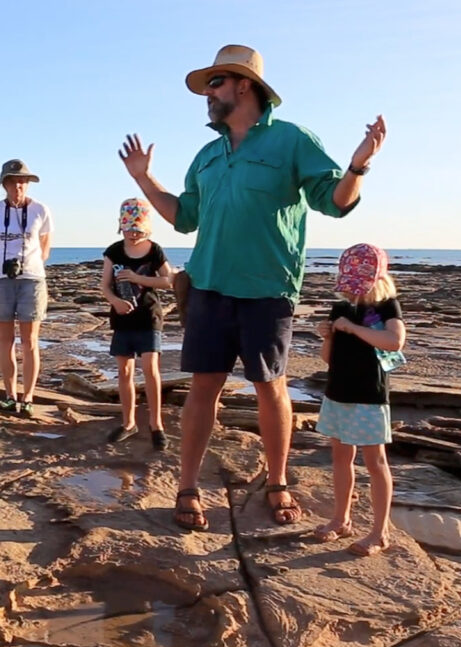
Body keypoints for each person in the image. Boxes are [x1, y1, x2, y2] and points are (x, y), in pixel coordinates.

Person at [118, 44, 387, 530]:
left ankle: (278, 480)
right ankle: (187, 485)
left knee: (270, 386)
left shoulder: (290, 140)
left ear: (245, 85)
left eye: (215, 83)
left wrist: (358, 166)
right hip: (208, 287)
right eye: (207, 86)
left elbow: (334, 202)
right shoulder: (207, 155)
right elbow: (185, 217)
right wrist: (145, 180)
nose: (208, 93)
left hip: (268, 288)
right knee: (204, 388)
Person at [314, 244, 404, 557]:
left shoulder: (386, 307)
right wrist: (327, 336)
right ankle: (341, 519)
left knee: (375, 462)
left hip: (369, 395)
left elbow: (394, 342)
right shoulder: (340, 306)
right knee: (340, 456)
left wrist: (353, 328)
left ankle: (380, 533)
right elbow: (329, 358)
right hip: (338, 391)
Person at [100, 199, 175, 450]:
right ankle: (129, 422)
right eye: (129, 229)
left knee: (151, 369)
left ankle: (156, 425)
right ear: (121, 227)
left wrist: (136, 277)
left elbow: (168, 280)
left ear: (146, 229)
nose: (133, 234)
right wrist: (115, 302)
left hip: (149, 318)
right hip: (122, 320)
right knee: (124, 372)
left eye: (138, 230)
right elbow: (104, 285)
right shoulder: (114, 251)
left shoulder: (155, 251)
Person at [0, 159, 53, 417]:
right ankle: (10, 395)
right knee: (5, 340)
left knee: (30, 340)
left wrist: (29, 264)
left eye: (22, 181)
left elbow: (45, 247)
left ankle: (29, 397)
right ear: (4, 184)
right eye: (12, 181)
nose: (18, 186)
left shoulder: (40, 210)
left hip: (32, 279)